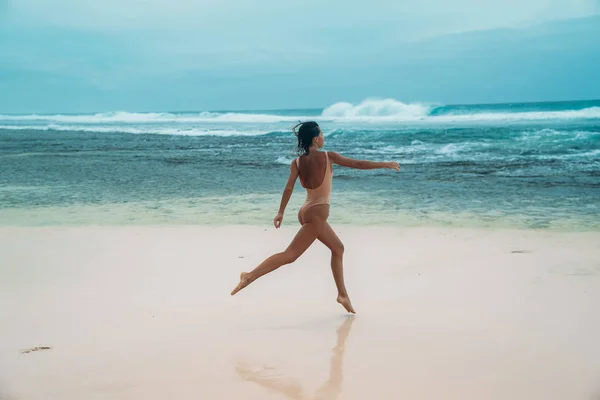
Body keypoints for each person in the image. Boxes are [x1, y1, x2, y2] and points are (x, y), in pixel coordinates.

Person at [231, 121, 400, 313]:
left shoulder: (297, 162)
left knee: (338, 248)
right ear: (315, 138)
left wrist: (281, 212)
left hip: (306, 211)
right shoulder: (329, 157)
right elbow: (358, 164)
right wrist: (384, 164)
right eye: (322, 133)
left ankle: (342, 295)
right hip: (317, 214)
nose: (323, 137)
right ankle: (249, 276)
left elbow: (288, 188)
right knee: (290, 255)